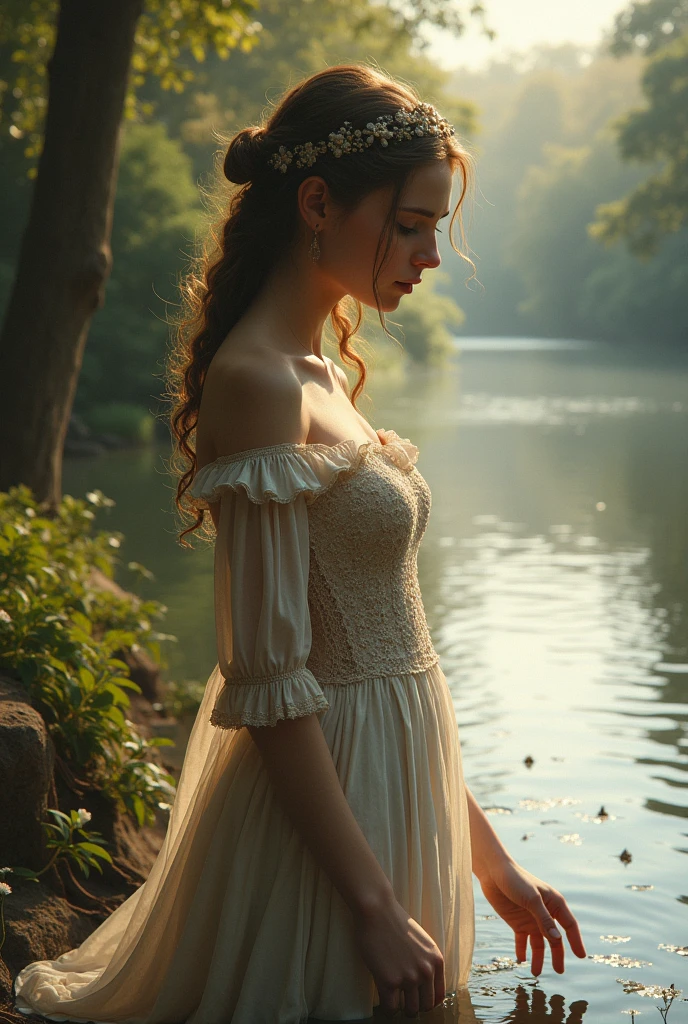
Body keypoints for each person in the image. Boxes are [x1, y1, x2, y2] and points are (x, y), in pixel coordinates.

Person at [13, 63, 586, 1024]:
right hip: (333, 816)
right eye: (410, 225)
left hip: (403, 782)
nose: (430, 255)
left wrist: (488, 856)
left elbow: (395, 642)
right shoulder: (261, 382)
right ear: (317, 201)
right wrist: (367, 902)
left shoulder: (323, 372)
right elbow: (269, 682)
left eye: (434, 230)